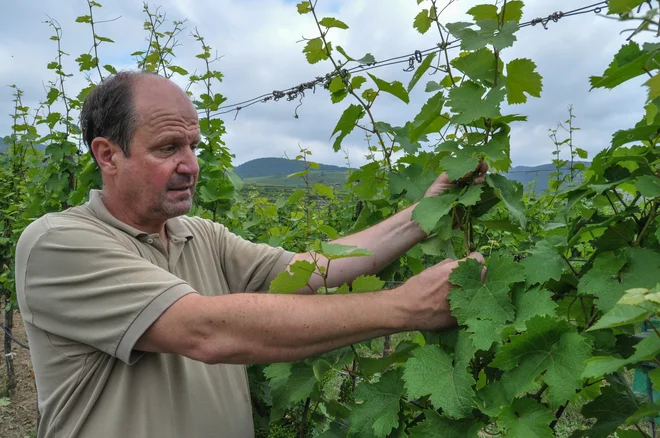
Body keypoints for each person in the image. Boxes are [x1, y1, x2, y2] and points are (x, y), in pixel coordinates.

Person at [14, 71, 486, 438]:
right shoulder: (57, 243)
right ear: (107, 155)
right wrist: (406, 307)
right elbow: (206, 332)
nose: (191, 166)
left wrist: (424, 213)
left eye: (193, 146)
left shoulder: (199, 235)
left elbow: (315, 271)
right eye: (168, 148)